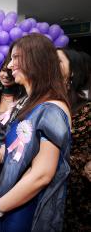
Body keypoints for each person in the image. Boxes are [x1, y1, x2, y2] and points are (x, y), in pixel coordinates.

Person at [0, 33, 72, 231]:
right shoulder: (27, 102)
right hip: (11, 198)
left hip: (29, 208)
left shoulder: (52, 109)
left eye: (16, 58)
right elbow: (16, 144)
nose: (9, 65)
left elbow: (42, 174)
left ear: (35, 60)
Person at [0, 53, 26, 203]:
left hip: (16, 155)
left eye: (9, 72)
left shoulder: (24, 100)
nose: (5, 75)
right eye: (2, 70)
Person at [57, 48, 91, 231]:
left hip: (78, 189)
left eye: (58, 61)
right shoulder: (48, 101)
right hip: (50, 184)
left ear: (73, 71)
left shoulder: (86, 108)